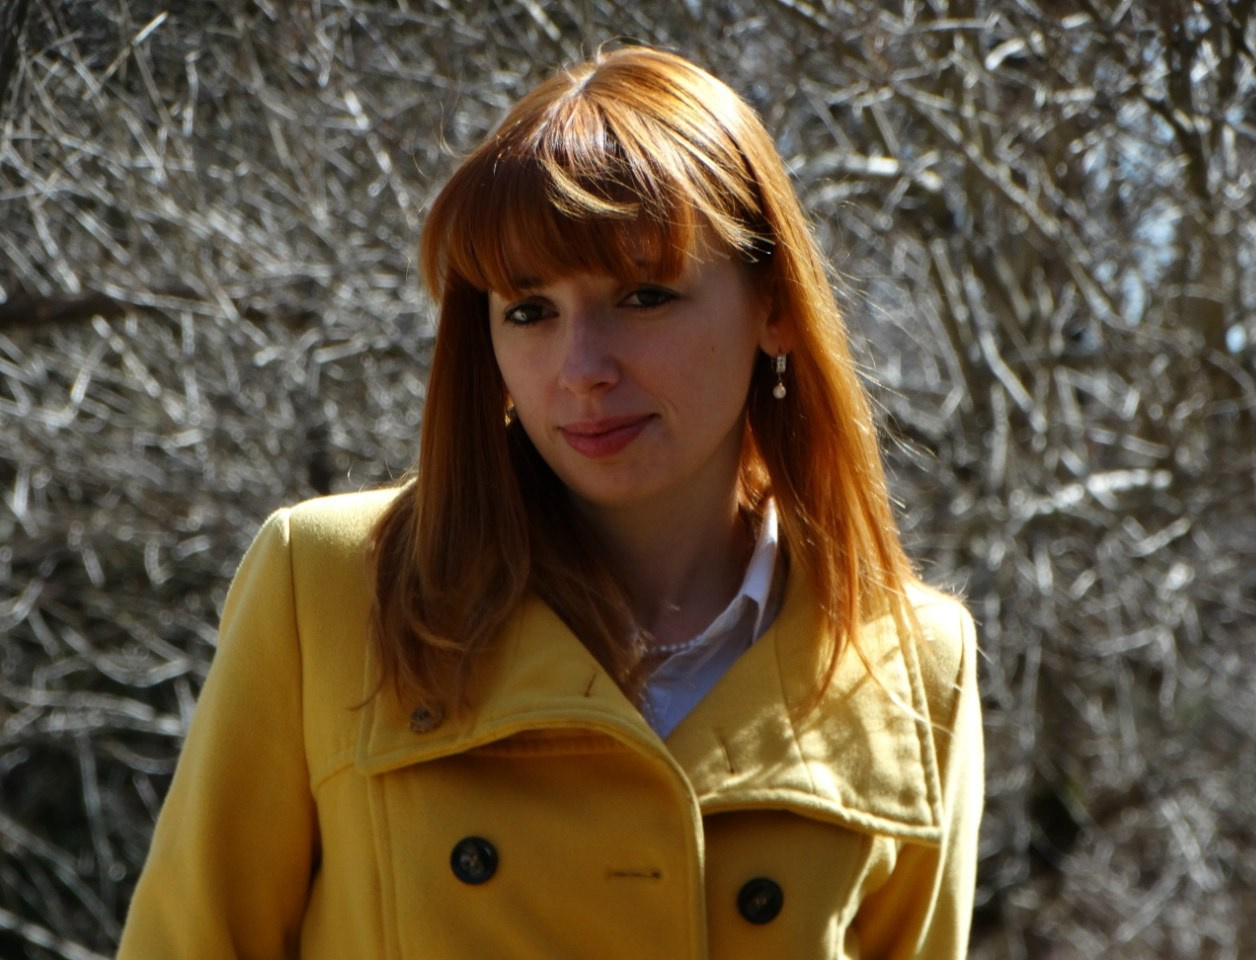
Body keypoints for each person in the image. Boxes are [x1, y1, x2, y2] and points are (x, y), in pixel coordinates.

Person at [117, 44, 982, 960]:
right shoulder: (332, 585)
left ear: (773, 305)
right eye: (529, 311)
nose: (582, 369)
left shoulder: (913, 662)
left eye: (644, 296)